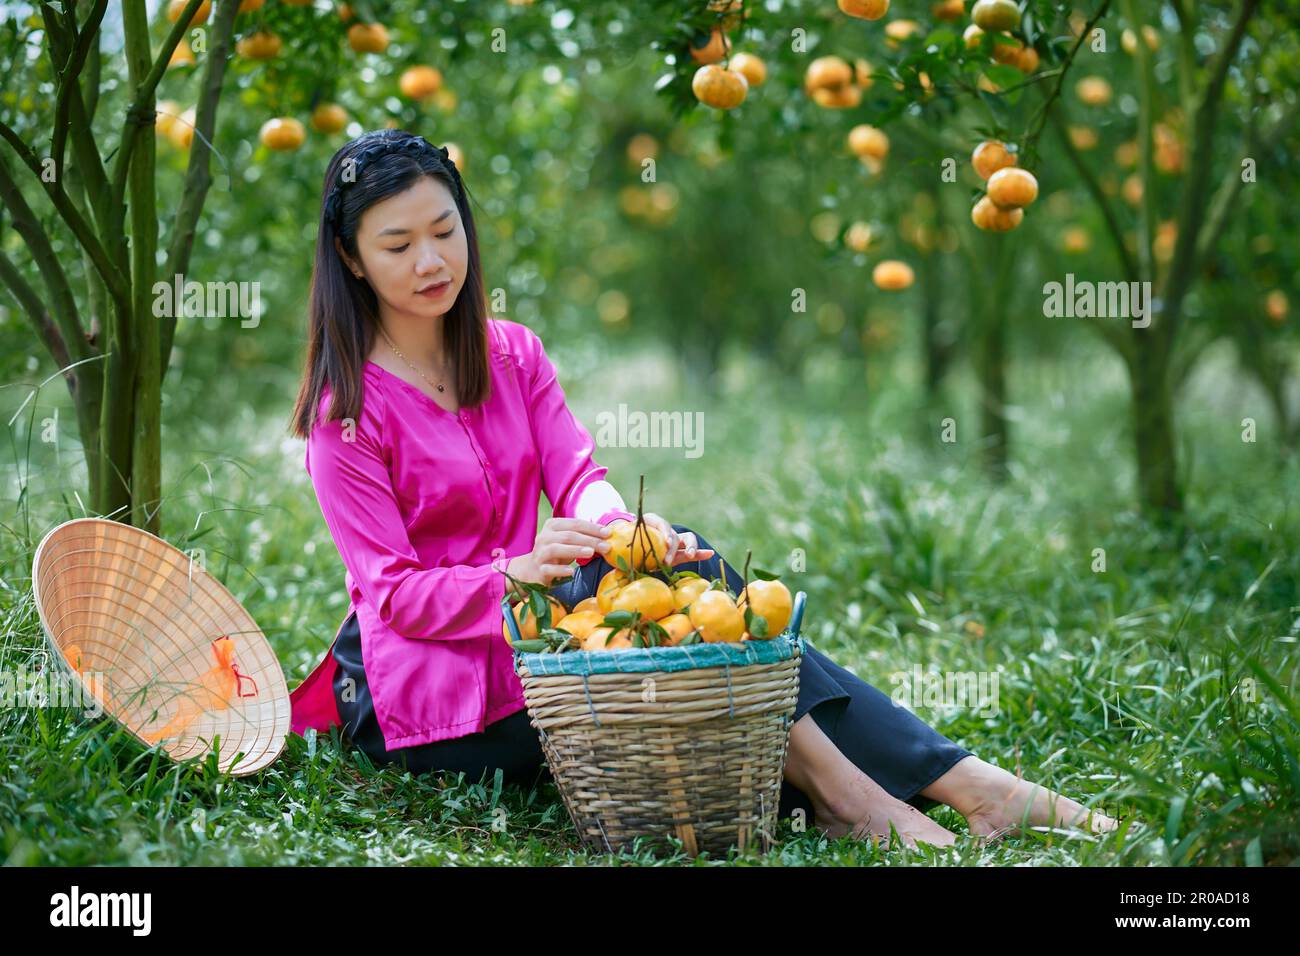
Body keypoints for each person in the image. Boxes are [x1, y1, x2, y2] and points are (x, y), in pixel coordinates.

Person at [286, 128, 1119, 849]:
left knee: (682, 586)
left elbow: (579, 477)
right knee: (685, 650)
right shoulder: (346, 413)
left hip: (547, 634)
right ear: (353, 262)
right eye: (398, 246)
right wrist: (514, 575)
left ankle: (930, 790)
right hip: (432, 694)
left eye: (445, 230)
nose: (432, 261)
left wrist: (629, 537)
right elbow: (391, 596)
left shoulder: (511, 353)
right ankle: (922, 791)